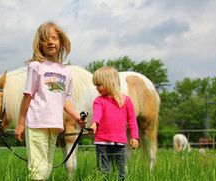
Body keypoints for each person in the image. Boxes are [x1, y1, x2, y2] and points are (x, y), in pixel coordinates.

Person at [14, 21, 86, 180]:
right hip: (36, 123)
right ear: (39, 43)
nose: (50, 42)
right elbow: (27, 96)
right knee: (38, 170)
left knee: (46, 168)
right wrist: (20, 123)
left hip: (54, 125)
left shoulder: (66, 71)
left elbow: (66, 100)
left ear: (60, 43)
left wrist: (76, 118)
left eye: (54, 38)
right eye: (46, 39)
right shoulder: (36, 66)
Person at [89, 66, 139, 180]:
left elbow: (132, 120)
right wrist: (94, 124)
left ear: (109, 82)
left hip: (120, 143)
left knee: (121, 172)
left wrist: (135, 137)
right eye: (95, 85)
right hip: (102, 143)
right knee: (104, 171)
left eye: (99, 84)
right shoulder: (99, 101)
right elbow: (97, 114)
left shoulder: (126, 101)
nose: (96, 88)